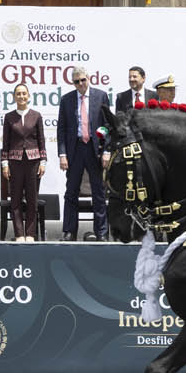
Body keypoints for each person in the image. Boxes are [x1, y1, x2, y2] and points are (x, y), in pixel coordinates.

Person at [56, 66, 112, 242]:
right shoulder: (66, 100)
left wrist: (106, 150)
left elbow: (107, 125)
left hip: (95, 150)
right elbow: (62, 129)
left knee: (99, 192)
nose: (80, 84)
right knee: (71, 192)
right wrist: (62, 154)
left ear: (89, 78)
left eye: (82, 80)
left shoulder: (101, 96)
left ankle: (101, 232)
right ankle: (69, 231)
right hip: (75, 150)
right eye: (76, 81)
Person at [1, 83, 46, 241]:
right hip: (15, 162)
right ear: (14, 97)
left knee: (32, 199)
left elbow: (41, 140)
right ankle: (19, 233)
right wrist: (4, 163)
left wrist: (43, 161)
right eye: (18, 94)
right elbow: (5, 143)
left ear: (28, 96)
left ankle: (31, 234)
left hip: (34, 162)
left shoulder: (37, 115)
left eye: (24, 93)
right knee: (15, 199)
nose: (21, 96)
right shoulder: (9, 117)